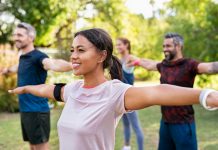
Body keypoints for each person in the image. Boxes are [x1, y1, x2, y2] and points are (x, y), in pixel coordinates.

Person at [8, 28, 218, 150]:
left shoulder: (114, 93)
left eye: (81, 50)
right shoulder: (73, 90)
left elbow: (157, 92)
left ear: (101, 56)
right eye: (72, 50)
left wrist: (205, 95)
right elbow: (48, 89)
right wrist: (26, 88)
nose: (73, 55)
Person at [127, 33, 218, 150]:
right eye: (164, 46)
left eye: (168, 46)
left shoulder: (189, 65)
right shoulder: (164, 65)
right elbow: (149, 64)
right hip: (165, 123)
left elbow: (211, 67)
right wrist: (137, 61)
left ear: (178, 46)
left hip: (183, 124)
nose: (165, 49)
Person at [1, 22, 73, 150]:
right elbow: (16, 68)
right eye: (15, 34)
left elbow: (53, 64)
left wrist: (73, 65)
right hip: (26, 110)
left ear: (31, 37)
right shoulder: (24, 57)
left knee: (40, 147)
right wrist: (5, 70)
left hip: (37, 111)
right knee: (33, 146)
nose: (15, 37)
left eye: (20, 35)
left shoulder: (38, 57)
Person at [116, 37, 144, 150]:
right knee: (126, 124)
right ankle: (127, 146)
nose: (117, 47)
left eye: (119, 45)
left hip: (131, 98)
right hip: (121, 98)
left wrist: (137, 63)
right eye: (116, 45)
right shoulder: (118, 60)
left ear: (126, 45)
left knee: (136, 127)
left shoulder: (130, 58)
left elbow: (140, 61)